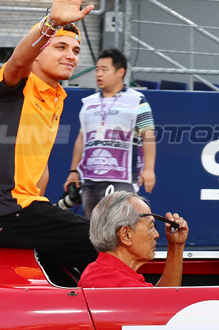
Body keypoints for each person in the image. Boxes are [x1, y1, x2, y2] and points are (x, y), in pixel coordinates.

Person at [0, 0, 100, 274]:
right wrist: (51, 25)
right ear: (39, 51)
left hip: (27, 212)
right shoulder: (17, 85)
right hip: (7, 215)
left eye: (75, 50)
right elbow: (18, 60)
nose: (71, 56)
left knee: (75, 264)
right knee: (105, 242)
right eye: (61, 47)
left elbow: (39, 169)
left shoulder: (57, 96)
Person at [77, 190, 219, 288]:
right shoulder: (114, 283)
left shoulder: (107, 275)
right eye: (151, 227)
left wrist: (176, 247)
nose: (157, 234)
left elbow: (162, 304)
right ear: (126, 235)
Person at [66, 48, 157, 217]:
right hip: (90, 179)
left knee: (119, 227)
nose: (98, 74)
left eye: (104, 70)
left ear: (120, 72)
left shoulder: (136, 100)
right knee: (93, 230)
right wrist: (73, 171)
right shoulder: (89, 103)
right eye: (97, 69)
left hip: (122, 179)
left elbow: (148, 135)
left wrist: (149, 169)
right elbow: (81, 137)